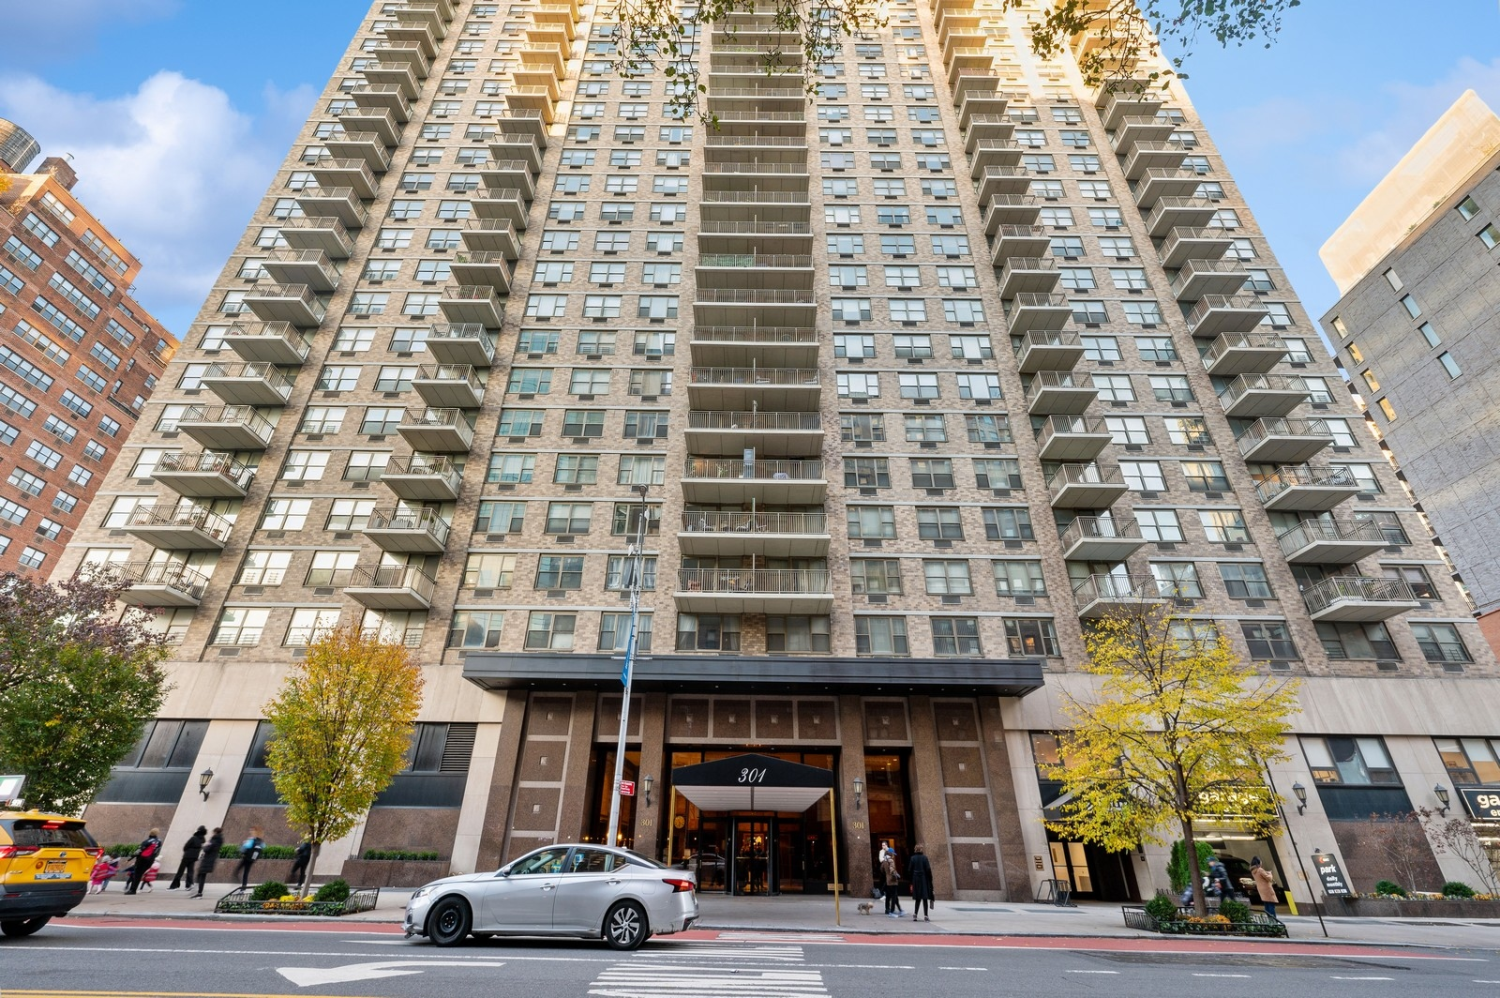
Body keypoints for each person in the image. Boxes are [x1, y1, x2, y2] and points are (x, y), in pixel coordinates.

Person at [122, 829, 161, 895]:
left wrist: (130, 859)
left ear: (150, 833)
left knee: (137, 875)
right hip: (150, 860)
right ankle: (134, 889)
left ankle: (132, 890)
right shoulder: (159, 841)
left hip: (142, 860)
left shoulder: (146, 841)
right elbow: (156, 851)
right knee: (140, 874)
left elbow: (139, 851)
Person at [169, 826, 208, 891]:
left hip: (187, 856)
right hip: (194, 857)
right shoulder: (202, 840)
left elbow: (186, 846)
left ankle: (174, 885)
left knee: (180, 871)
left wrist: (186, 851)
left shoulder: (193, 838)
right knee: (190, 871)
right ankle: (189, 885)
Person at [191, 828, 224, 898]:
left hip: (207, 860)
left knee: (201, 875)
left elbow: (207, 849)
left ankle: (199, 892)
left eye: (213, 832)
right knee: (201, 875)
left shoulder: (214, 840)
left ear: (215, 832)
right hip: (211, 860)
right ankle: (198, 890)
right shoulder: (219, 840)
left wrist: (204, 846)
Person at [907, 843, 934, 922]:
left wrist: (911, 880)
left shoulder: (913, 858)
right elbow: (928, 869)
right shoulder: (924, 858)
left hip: (916, 879)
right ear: (921, 849)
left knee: (917, 898)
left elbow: (909, 870)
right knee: (925, 898)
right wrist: (930, 879)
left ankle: (915, 914)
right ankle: (926, 915)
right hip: (923, 879)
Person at [880, 845, 902, 918]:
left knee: (888, 896)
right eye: (893, 854)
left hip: (887, 881)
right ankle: (892, 911)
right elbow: (892, 870)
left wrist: (887, 875)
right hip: (893, 881)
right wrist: (896, 874)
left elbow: (882, 870)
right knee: (894, 896)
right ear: (890, 854)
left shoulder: (884, 861)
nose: (893, 855)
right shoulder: (891, 861)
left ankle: (887, 909)